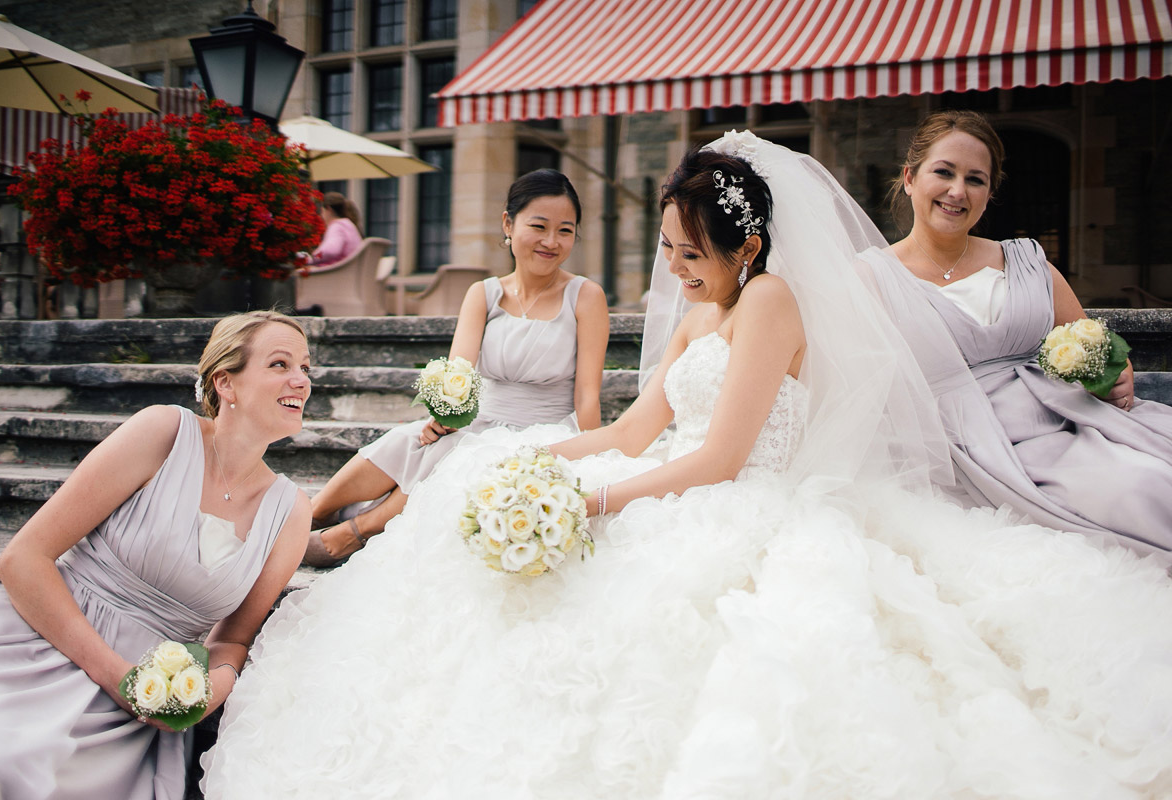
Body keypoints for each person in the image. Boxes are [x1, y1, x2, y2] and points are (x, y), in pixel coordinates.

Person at [201, 134, 1172, 798]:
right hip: (659, 474)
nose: (674, 271)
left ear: (746, 243)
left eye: (688, 253)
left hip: (737, 504)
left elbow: (717, 456)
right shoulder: (706, 307)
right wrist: (532, 461)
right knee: (484, 485)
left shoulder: (772, 305)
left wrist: (599, 500)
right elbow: (633, 426)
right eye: (666, 251)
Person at [0, 310, 314, 800]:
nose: (300, 380)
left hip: (143, 698)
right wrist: (118, 678)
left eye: (306, 367)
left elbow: (233, 641)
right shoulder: (163, 433)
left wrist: (202, 693)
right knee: (1, 758)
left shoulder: (291, 512)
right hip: (36, 640)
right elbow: (21, 559)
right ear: (226, 383)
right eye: (281, 364)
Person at [862, 110, 1172, 557]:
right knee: (1140, 491)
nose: (957, 191)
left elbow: (1088, 340)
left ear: (990, 192)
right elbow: (858, 390)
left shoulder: (1025, 259)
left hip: (1072, 422)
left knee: (1158, 477)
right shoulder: (870, 277)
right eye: (943, 172)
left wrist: (1116, 368)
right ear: (910, 178)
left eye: (975, 179)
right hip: (972, 452)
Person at [302, 169, 609, 567]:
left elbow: (588, 394)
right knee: (415, 440)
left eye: (565, 231)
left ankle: (352, 533)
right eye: (539, 226)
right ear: (508, 224)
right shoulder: (483, 294)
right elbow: (458, 380)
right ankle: (305, 518)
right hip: (482, 421)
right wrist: (442, 418)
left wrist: (595, 456)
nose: (552, 241)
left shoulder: (585, 296)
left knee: (457, 456)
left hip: (546, 433)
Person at [305, 191, 363, 267]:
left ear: (328, 209)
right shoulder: (349, 225)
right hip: (349, 272)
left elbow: (330, 251)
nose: (321, 216)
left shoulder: (337, 226)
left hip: (336, 275)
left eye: (322, 211)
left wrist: (312, 258)